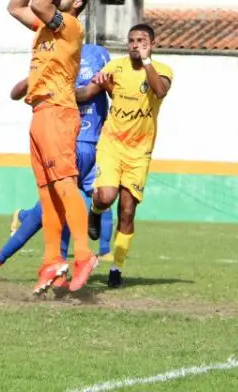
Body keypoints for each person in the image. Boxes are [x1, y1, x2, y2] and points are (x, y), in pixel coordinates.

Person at [5, 0, 98, 293]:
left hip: (58, 110)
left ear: (75, 3)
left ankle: (84, 255)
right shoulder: (46, 27)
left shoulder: (69, 25)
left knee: (64, 185)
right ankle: (51, 262)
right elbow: (16, 5)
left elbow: (39, 3)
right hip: (40, 111)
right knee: (47, 193)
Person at [88, 23, 173, 287]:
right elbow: (104, 89)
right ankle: (95, 210)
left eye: (141, 40)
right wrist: (99, 83)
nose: (135, 44)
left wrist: (147, 62)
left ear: (152, 44)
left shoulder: (163, 71)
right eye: (132, 40)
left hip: (140, 151)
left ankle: (116, 268)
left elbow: (159, 91)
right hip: (112, 145)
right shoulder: (116, 67)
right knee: (107, 196)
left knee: (127, 211)